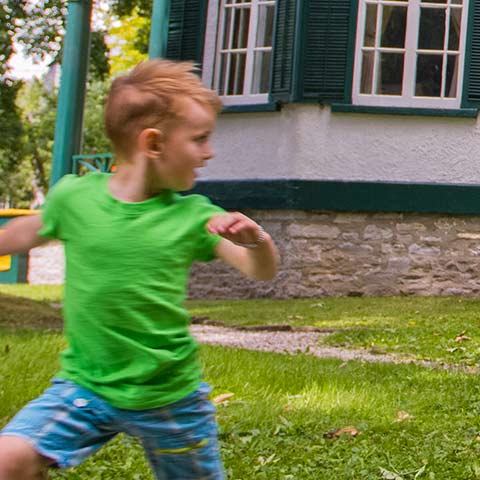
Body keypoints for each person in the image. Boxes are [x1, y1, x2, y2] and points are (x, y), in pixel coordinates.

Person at [0, 60, 280, 480]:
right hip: (84, 387)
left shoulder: (193, 217)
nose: (209, 152)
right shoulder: (75, 199)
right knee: (9, 459)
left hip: (170, 397)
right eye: (200, 139)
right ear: (153, 144)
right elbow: (22, 233)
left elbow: (259, 271)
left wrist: (256, 241)